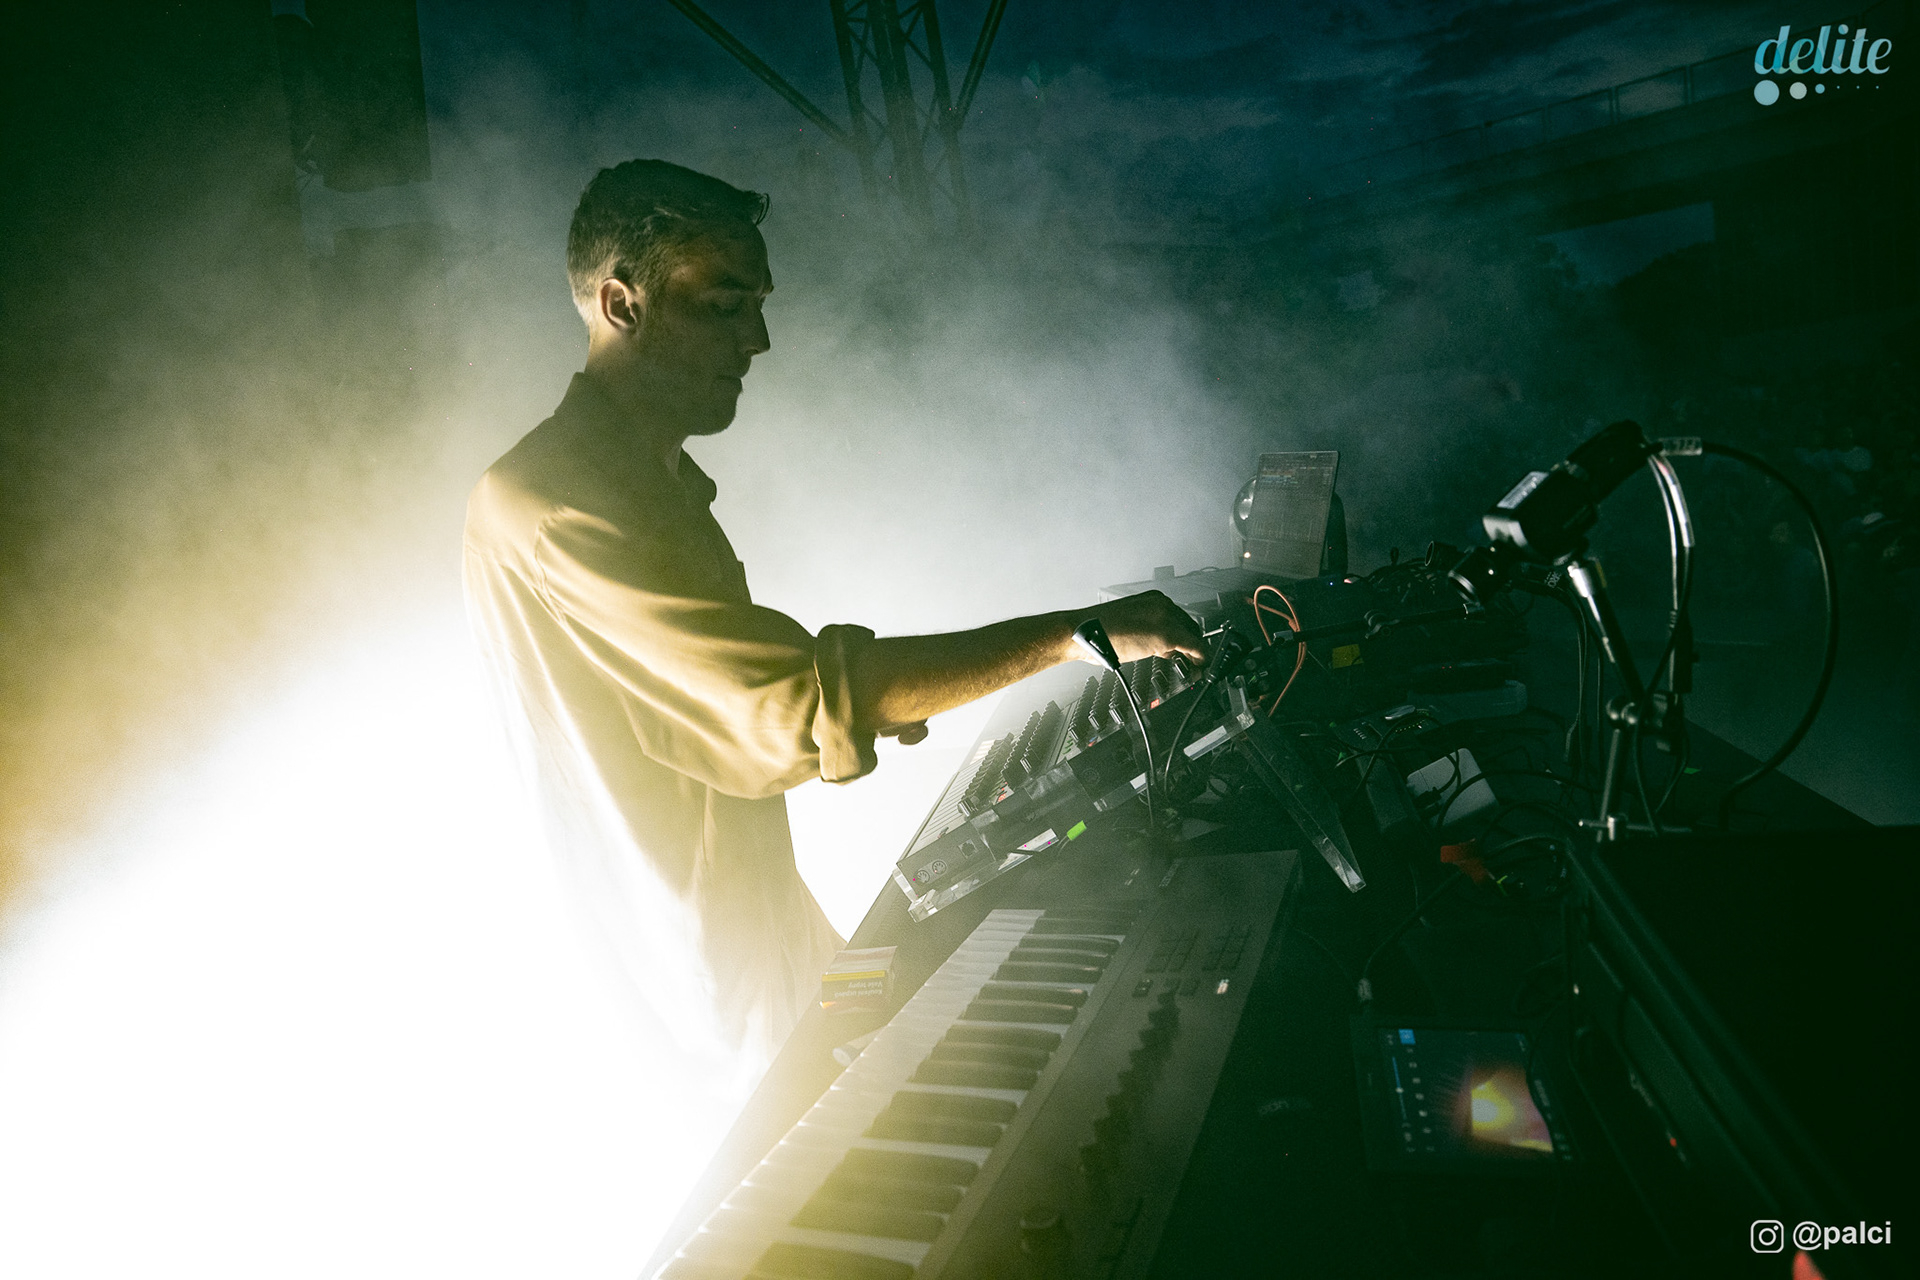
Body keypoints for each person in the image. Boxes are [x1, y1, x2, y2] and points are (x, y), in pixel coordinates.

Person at [463, 159, 1203, 1092]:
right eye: (726, 304)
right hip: (710, 1005)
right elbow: (792, 705)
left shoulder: (634, 483)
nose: (759, 338)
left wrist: (896, 697)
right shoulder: (557, 506)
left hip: (761, 945)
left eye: (760, 304)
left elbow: (719, 704)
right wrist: (1073, 635)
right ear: (622, 304)